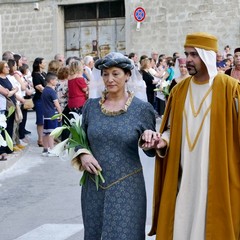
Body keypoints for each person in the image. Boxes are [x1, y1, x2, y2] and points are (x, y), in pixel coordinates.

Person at [141, 32, 240, 239]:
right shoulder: (180, 91)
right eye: (186, 54)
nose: (188, 60)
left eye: (194, 55)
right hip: (185, 174)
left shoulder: (230, 89)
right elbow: (169, 129)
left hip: (218, 172)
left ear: (208, 57)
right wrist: (162, 141)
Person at [73, 52, 157, 239]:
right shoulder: (91, 107)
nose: (109, 79)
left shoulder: (142, 110)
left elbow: (152, 152)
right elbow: (77, 140)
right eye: (105, 74)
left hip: (127, 187)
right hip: (93, 187)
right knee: (95, 233)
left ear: (127, 75)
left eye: (115, 73)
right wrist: (83, 154)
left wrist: (151, 140)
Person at [41, 72, 62, 157]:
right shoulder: (52, 92)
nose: (57, 81)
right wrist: (60, 113)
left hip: (45, 114)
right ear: (51, 81)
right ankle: (52, 149)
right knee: (52, 133)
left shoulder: (44, 90)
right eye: (56, 80)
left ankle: (45, 149)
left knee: (46, 132)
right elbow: (57, 104)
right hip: (52, 114)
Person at [32, 57, 47, 147]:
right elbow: (39, 87)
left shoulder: (44, 74)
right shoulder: (36, 75)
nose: (45, 64)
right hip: (40, 99)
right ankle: (40, 139)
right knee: (40, 120)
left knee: (46, 119)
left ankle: (46, 138)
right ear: (39, 64)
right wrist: (49, 91)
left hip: (45, 99)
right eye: (43, 62)